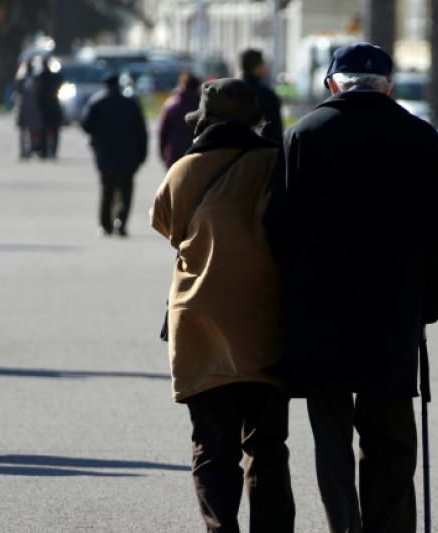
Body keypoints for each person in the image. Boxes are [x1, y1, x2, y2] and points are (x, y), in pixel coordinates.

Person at [264, 42, 438, 532]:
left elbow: (277, 228)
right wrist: (426, 306)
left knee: (332, 438)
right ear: (387, 86)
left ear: (333, 83)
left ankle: (343, 527)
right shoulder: (418, 137)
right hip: (392, 312)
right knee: (390, 436)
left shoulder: (303, 134)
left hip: (320, 310)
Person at [150, 78, 294, 532]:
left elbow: (169, 228)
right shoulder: (279, 165)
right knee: (268, 445)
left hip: (201, 322)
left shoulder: (181, 171)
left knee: (213, 446)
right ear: (256, 119)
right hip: (267, 320)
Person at [80, 71, 148, 237]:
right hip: (128, 155)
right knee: (125, 191)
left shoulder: (97, 102)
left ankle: (105, 225)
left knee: (106, 190)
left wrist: (97, 135)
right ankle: (121, 223)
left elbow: (85, 124)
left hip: (105, 154)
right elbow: (142, 131)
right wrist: (142, 154)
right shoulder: (131, 103)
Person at [156, 71, 201, 169]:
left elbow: (163, 132)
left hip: (174, 156)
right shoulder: (202, 106)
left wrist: (163, 154)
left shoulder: (171, 105)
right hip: (197, 157)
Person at [239, 49, 283, 143]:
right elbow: (275, 131)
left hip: (235, 152)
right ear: (256, 67)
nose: (265, 67)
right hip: (264, 152)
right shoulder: (267, 96)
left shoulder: (233, 92)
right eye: (262, 64)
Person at [14, 60, 44, 159]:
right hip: (25, 107)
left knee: (32, 130)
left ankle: (31, 149)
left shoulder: (35, 80)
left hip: (31, 107)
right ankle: (24, 150)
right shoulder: (23, 80)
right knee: (24, 130)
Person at [37, 56, 64, 159]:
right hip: (52, 107)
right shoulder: (53, 77)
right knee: (54, 131)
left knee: (45, 130)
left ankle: (44, 151)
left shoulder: (41, 77)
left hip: (44, 107)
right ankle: (52, 151)